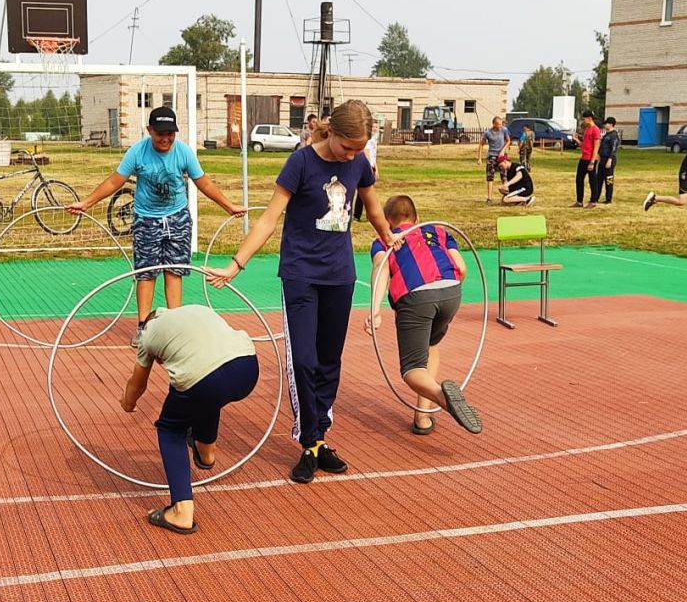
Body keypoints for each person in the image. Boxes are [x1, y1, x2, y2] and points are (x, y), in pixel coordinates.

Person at [205, 100, 398, 484]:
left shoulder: (358, 164)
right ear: (333, 133)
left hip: (340, 276)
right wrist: (236, 264)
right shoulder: (301, 163)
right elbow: (269, 219)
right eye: (349, 147)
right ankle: (308, 439)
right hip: (301, 276)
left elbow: (373, 208)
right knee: (304, 361)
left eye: (360, 149)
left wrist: (388, 236)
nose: (354, 155)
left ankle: (320, 436)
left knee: (330, 362)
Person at [67, 107, 245, 347]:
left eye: (170, 133)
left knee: (174, 271)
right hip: (146, 218)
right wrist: (87, 203)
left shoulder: (183, 152)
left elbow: (203, 182)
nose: (166, 139)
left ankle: (174, 327)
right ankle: (143, 327)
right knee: (146, 273)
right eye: (160, 133)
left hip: (177, 217)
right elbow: (114, 181)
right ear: (149, 131)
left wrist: (228, 206)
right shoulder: (138, 152)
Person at [121, 305, 258, 535]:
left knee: (170, 429)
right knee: (206, 397)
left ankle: (181, 511)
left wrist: (128, 403)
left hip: (204, 378)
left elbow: (138, 384)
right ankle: (206, 452)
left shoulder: (149, 334)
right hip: (247, 367)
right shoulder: (196, 309)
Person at [364, 195, 481, 436]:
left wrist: (375, 312)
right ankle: (422, 417)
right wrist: (450, 290)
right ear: (417, 219)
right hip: (451, 291)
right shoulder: (438, 232)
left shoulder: (383, 241)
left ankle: (444, 399)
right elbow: (461, 267)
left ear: (386, 222)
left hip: (415, 297)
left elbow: (381, 269)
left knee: (411, 370)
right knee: (430, 346)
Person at [571, 110, 601, 208]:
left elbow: (596, 147)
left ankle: (593, 201)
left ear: (589, 119)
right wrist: (577, 141)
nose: (583, 121)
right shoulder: (587, 129)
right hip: (584, 157)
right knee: (579, 179)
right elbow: (585, 145)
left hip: (590, 159)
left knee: (592, 180)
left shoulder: (595, 130)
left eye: (584, 119)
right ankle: (579, 201)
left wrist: (592, 161)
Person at [478, 117, 511, 205]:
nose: (501, 126)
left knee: (504, 176)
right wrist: (480, 158)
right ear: (494, 124)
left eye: (501, 124)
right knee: (490, 177)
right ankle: (489, 198)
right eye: (499, 124)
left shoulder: (504, 130)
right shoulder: (487, 133)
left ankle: (507, 197)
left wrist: (504, 150)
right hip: (492, 156)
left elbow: (508, 141)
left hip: (502, 157)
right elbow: (481, 144)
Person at [353, 120, 380, 222]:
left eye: (377, 127)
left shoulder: (374, 139)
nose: (375, 128)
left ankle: (368, 215)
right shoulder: (367, 139)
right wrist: (368, 168)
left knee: (369, 193)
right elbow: (367, 153)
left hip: (371, 166)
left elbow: (373, 156)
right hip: (367, 166)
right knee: (364, 193)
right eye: (373, 126)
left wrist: (376, 168)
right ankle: (357, 215)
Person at [599, 117, 621, 204]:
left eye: (607, 123)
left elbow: (614, 148)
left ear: (611, 124)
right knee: (599, 178)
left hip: (609, 159)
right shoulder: (606, 135)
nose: (605, 125)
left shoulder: (614, 135)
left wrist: (610, 159)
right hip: (603, 158)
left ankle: (608, 198)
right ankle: (596, 196)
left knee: (609, 179)